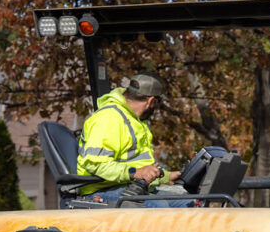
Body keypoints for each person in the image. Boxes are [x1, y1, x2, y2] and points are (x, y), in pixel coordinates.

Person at [76, 73, 191, 207]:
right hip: (100, 191)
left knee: (189, 202)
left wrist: (166, 176)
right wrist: (136, 173)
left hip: (130, 186)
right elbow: (95, 164)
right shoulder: (108, 119)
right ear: (151, 101)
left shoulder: (136, 121)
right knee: (159, 207)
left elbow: (138, 164)